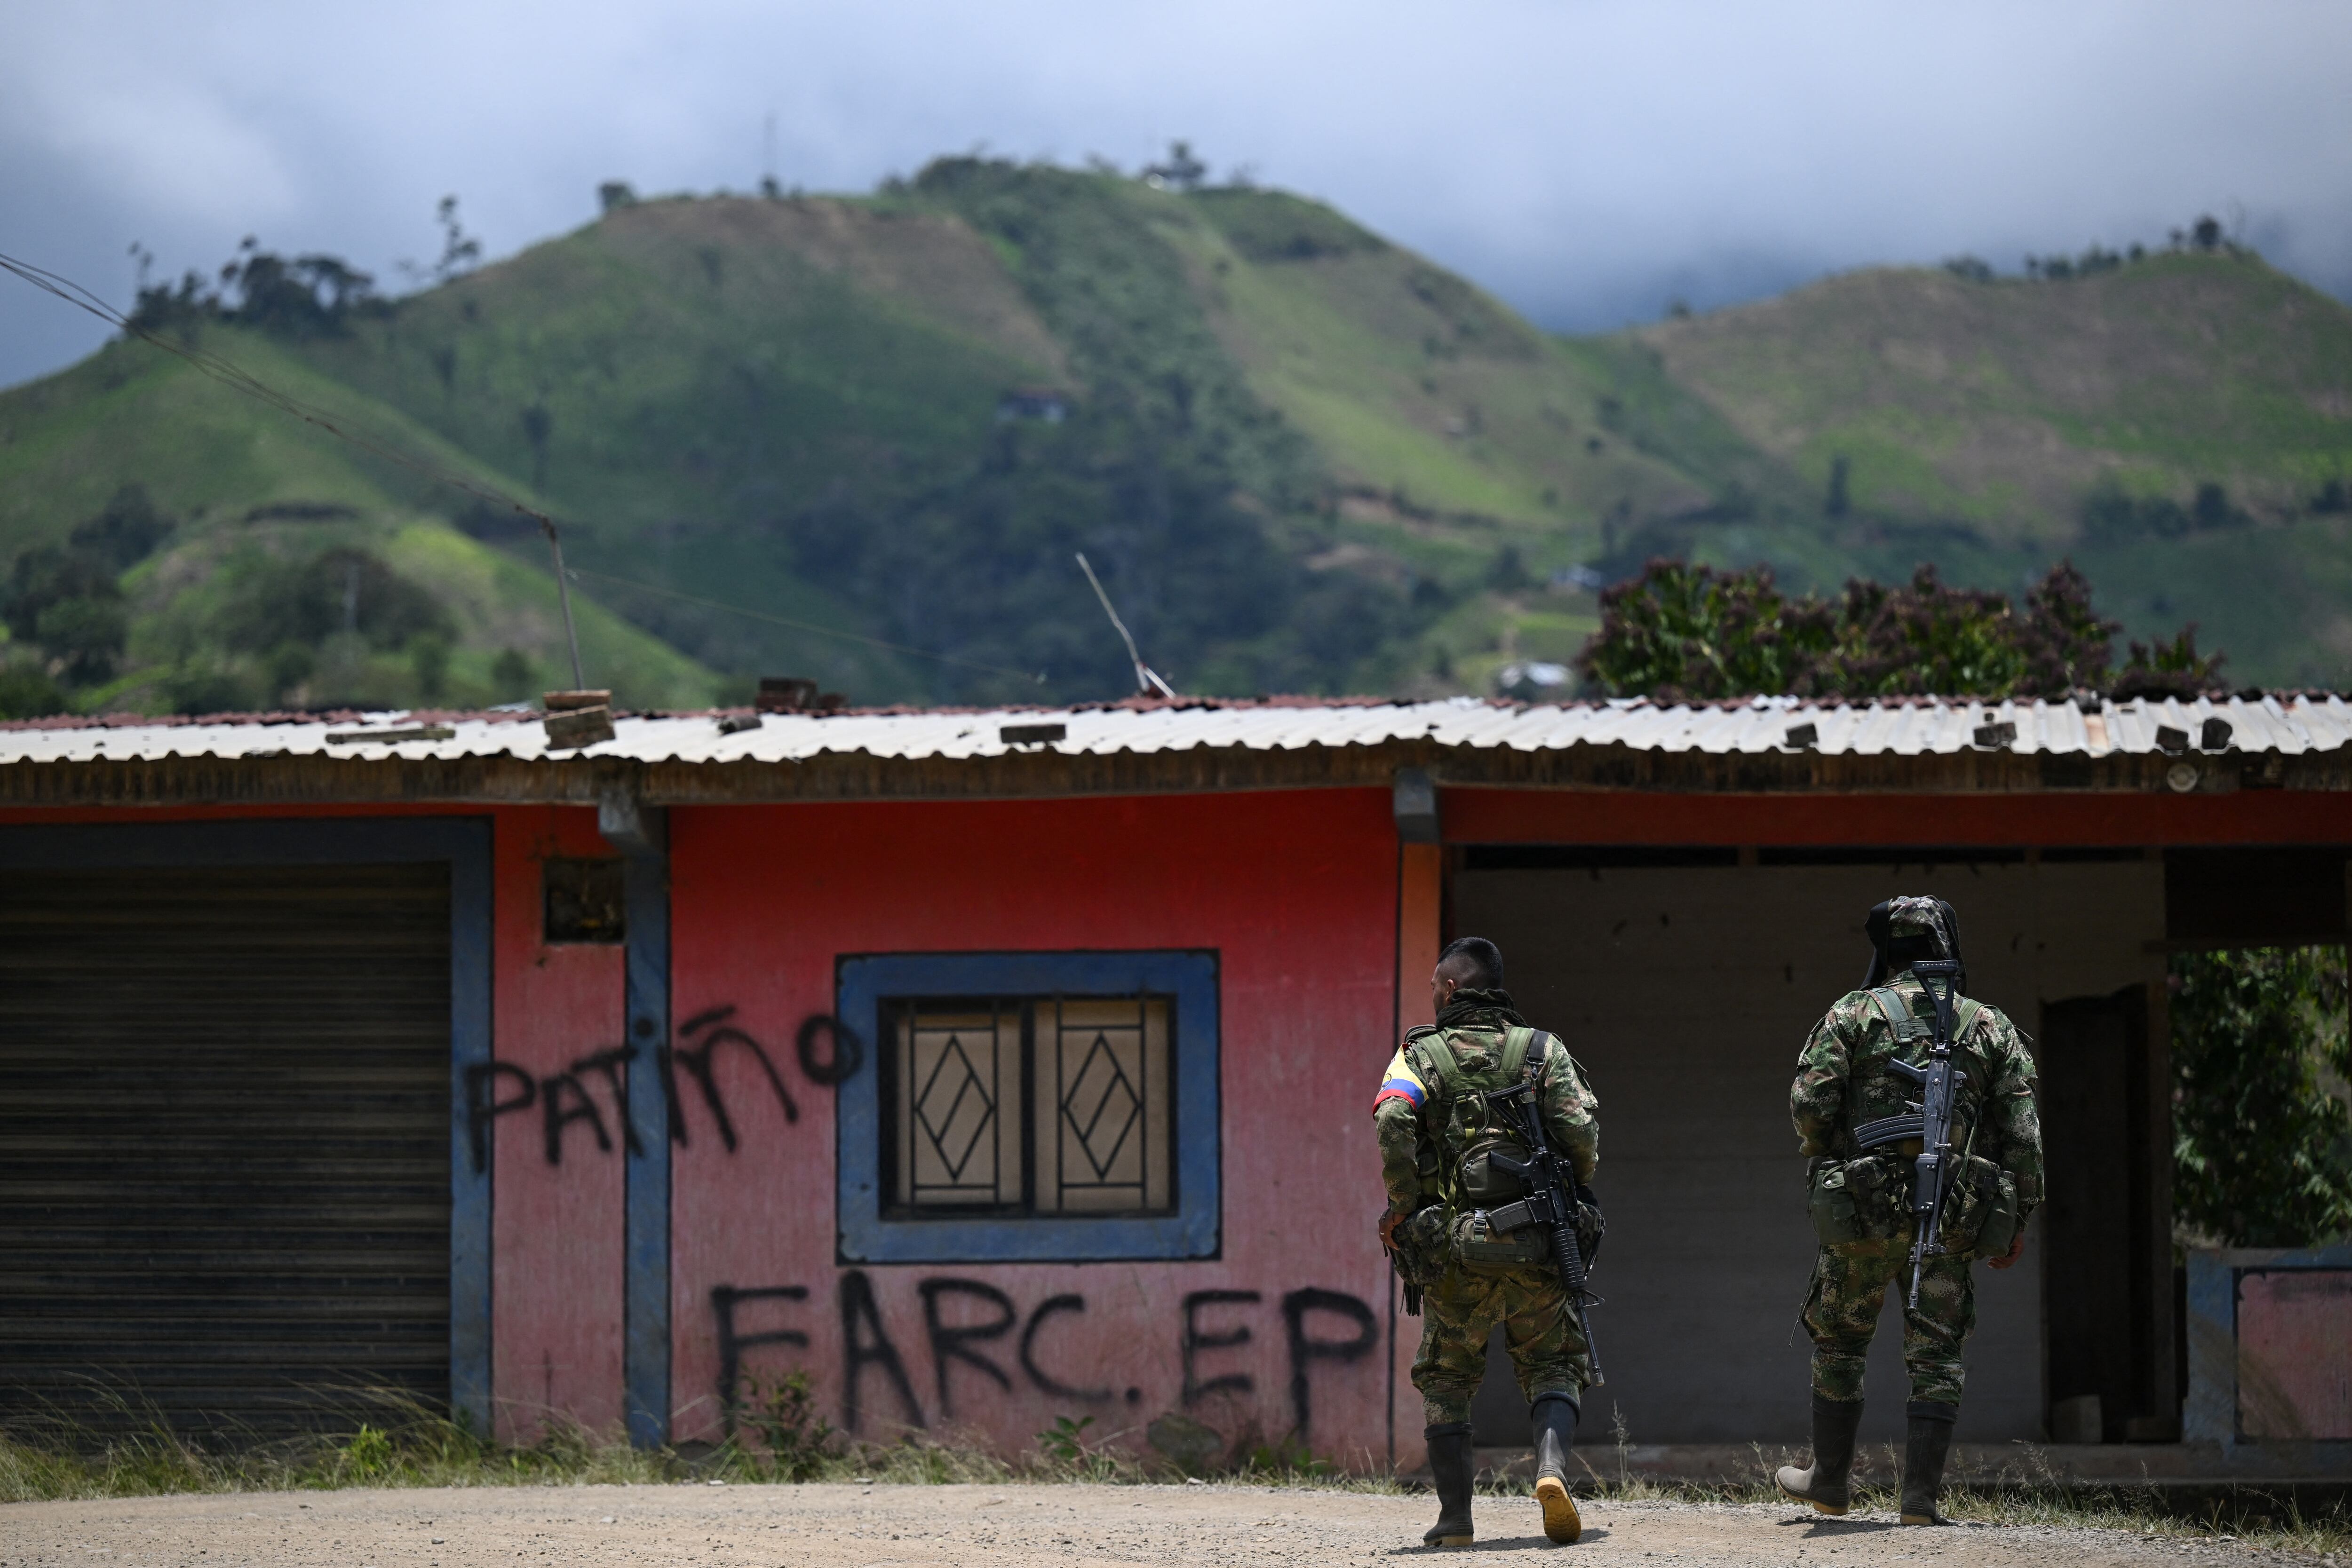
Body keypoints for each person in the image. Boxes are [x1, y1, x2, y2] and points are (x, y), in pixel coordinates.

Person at [1774, 896, 2042, 1526]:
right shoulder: (1988, 1026)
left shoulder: (1851, 1014)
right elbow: (2024, 1135)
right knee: (1938, 1354)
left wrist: (1839, 1160)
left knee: (1840, 1341)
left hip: (1862, 1218)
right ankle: (1920, 1499)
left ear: (1887, 950)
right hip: (1950, 1218)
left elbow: (1809, 1109)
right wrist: (2016, 1217)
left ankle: (1831, 1483)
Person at [1375, 936, 1601, 1547]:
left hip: (1454, 1248)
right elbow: (1583, 1136)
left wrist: (1406, 1205)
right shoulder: (1541, 1050)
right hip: (1536, 1243)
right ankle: (1551, 1472)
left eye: (1433, 986)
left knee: (1448, 1375)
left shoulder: (1419, 1054)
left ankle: (1455, 1520)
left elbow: (1393, 1117)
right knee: (1555, 1362)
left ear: (1451, 989)